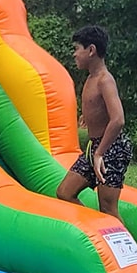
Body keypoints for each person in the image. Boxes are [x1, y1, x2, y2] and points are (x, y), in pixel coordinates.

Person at [55, 25, 130, 218]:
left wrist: (99, 153)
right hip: (94, 147)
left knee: (108, 208)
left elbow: (118, 119)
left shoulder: (105, 80)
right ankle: (95, 230)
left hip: (112, 148)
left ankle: (122, 239)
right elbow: (97, 106)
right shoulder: (90, 79)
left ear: (91, 50)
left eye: (77, 49)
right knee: (65, 193)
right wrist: (87, 117)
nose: (74, 54)